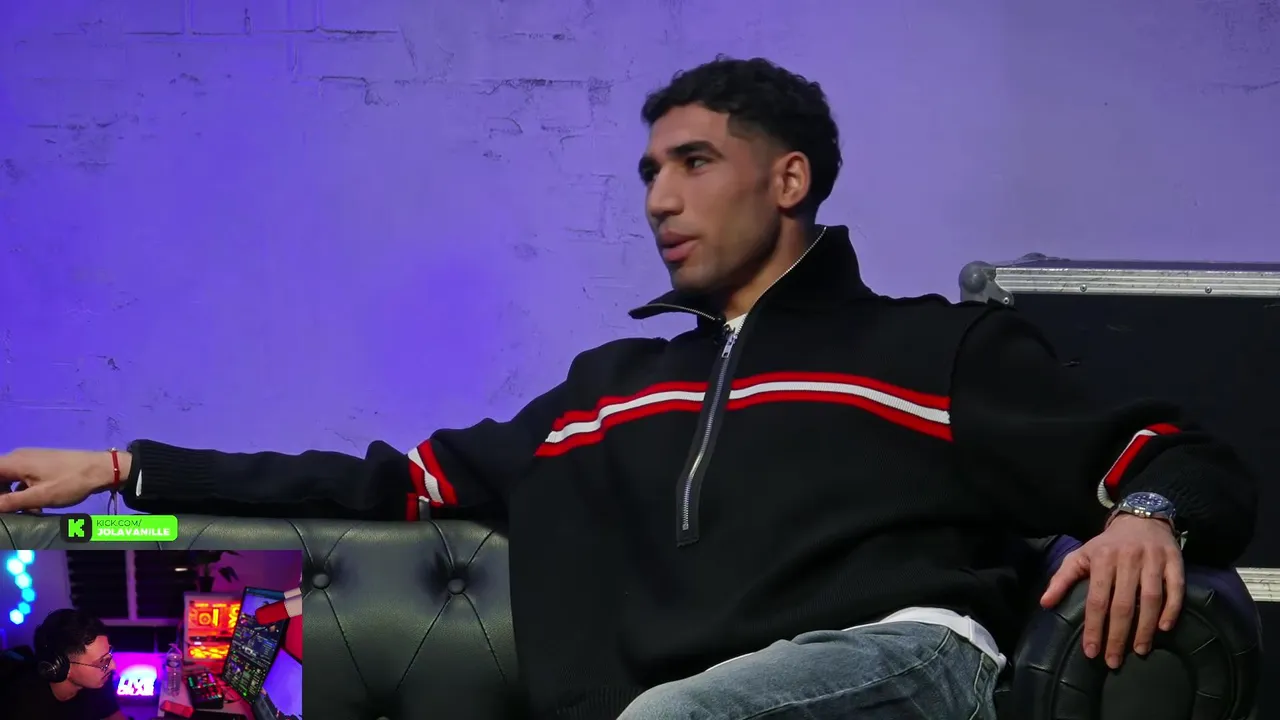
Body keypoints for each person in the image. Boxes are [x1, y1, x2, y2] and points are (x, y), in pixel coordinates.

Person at [0, 57, 1258, 720]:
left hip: (903, 669)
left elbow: (1173, 452)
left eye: (692, 162)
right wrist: (121, 470)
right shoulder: (607, 393)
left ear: (787, 180)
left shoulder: (931, 349)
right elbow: (390, 482)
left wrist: (1145, 517)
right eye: (649, 171)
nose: (658, 197)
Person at [0, 609, 126, 720]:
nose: (113, 666)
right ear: (60, 665)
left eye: (109, 655)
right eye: (102, 661)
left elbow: (113, 716)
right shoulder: (23, 706)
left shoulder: (100, 680)